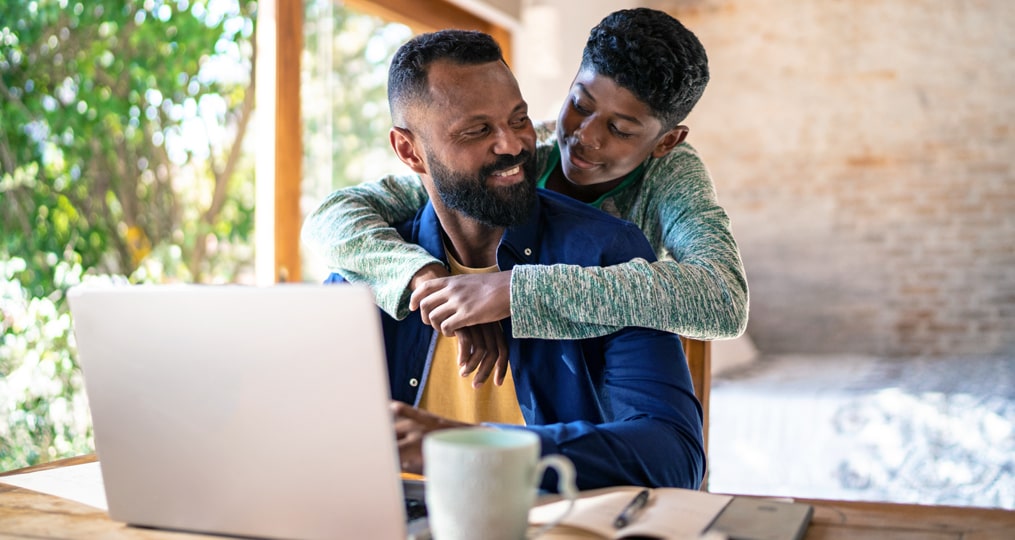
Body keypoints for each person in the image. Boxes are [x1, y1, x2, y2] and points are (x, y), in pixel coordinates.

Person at [327, 29, 705, 491]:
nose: (511, 145)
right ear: (409, 151)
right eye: (477, 130)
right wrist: (429, 281)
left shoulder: (606, 252)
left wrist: (472, 447)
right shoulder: (361, 275)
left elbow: (674, 457)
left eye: (519, 118)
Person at [302, 9, 749, 385]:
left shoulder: (670, 175)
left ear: (666, 141)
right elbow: (333, 216)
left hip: (601, 380)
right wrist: (430, 280)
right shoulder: (522, 149)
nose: (583, 137)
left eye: (619, 129)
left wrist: (514, 291)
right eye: (581, 104)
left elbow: (724, 298)